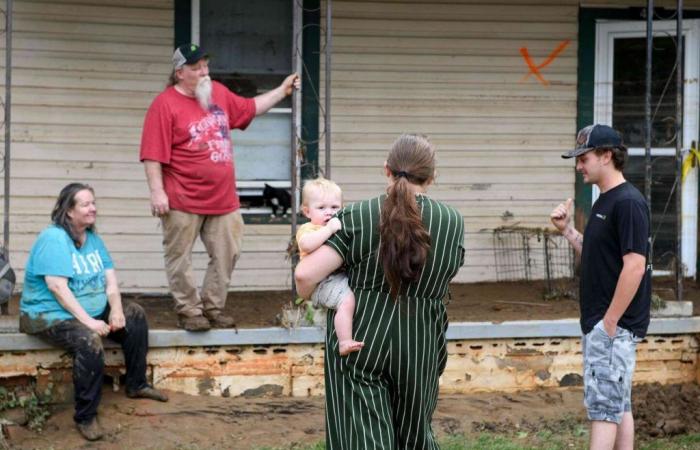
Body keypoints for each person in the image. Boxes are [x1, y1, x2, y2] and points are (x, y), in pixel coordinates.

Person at [295, 134, 465, 448]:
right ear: (431, 177)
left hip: (361, 335)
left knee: (363, 438)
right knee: (415, 438)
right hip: (421, 340)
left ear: (386, 170)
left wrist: (317, 297)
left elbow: (305, 275)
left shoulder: (356, 216)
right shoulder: (452, 221)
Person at [140, 43, 300, 331]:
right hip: (181, 197)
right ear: (179, 73)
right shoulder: (164, 105)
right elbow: (153, 153)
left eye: (206, 66)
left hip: (223, 199)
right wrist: (157, 191)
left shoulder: (219, 94)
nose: (204, 72)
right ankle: (189, 311)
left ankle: (212, 307)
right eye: (196, 68)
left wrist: (281, 90)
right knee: (179, 257)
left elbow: (250, 108)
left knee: (229, 251)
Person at [19, 183, 168, 442]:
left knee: (135, 314)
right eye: (86, 204)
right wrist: (89, 321)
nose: (93, 209)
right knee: (89, 341)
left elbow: (110, 281)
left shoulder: (94, 239)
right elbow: (57, 287)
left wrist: (117, 310)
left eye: (94, 203)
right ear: (68, 211)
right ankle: (85, 417)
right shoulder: (53, 238)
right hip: (49, 314)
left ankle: (137, 384)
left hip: (89, 309)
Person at [551, 124, 651, 450]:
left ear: (606, 156)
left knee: (603, 413)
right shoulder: (604, 201)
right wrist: (567, 231)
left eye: (584, 158)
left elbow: (634, 266)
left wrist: (608, 324)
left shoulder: (628, 203)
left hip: (612, 329)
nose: (579, 165)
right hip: (607, 328)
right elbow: (600, 257)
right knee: (618, 406)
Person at [296, 177, 363, 356]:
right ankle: (344, 342)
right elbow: (306, 246)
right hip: (321, 282)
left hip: (336, 278)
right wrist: (328, 230)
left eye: (334, 207)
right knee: (347, 301)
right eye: (321, 208)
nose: (329, 213)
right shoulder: (309, 228)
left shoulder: (337, 225)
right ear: (307, 211)